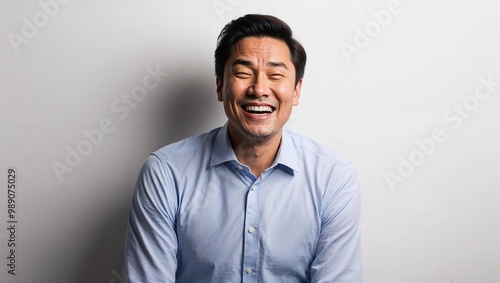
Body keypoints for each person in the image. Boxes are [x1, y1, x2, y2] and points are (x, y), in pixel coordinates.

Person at [125, 14, 362, 283]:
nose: (259, 89)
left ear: (296, 90)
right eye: (243, 73)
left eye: (275, 75)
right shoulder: (165, 173)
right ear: (220, 86)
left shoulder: (333, 177)